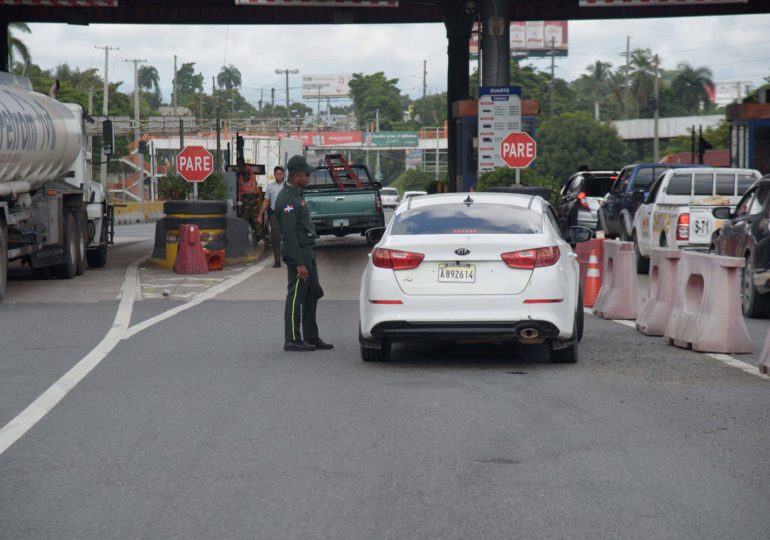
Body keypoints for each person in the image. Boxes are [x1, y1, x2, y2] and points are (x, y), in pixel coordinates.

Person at [275, 155, 333, 352]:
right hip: (299, 253)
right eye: (307, 174)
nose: (309, 178)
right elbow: (289, 235)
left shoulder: (297, 195)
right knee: (296, 296)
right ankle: (292, 338)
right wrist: (298, 262)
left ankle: (311, 336)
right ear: (297, 176)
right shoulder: (287, 200)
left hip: (307, 251)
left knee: (312, 293)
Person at [258, 165, 286, 268]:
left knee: (288, 237)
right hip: (274, 214)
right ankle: (277, 260)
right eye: (277, 174)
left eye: (280, 174)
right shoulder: (270, 187)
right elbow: (266, 201)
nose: (279, 176)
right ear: (274, 175)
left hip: (287, 214)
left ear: (284, 174)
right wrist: (260, 215)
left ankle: (287, 259)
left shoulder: (288, 186)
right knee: (275, 237)